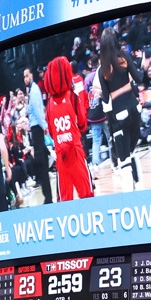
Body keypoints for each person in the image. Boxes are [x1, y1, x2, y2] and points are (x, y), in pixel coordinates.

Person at [97, 28, 143, 193]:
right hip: (133, 109)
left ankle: (130, 189)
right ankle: (139, 183)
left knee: (124, 158)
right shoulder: (124, 56)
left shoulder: (102, 68)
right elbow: (139, 78)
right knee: (131, 150)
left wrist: (101, 94)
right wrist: (143, 63)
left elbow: (106, 99)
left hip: (118, 114)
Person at [42, 56, 93, 202]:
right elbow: (83, 124)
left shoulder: (49, 105)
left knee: (64, 201)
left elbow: (51, 132)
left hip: (61, 159)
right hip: (75, 154)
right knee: (87, 197)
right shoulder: (72, 97)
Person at [23, 67, 53, 205]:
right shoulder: (32, 91)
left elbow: (38, 110)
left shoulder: (34, 90)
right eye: (24, 77)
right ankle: (47, 194)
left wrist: (44, 126)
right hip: (36, 127)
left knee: (40, 162)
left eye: (27, 76)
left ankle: (48, 197)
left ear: (32, 75)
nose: (25, 79)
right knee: (41, 161)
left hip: (38, 128)